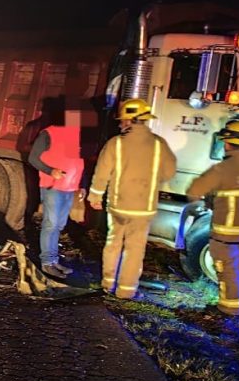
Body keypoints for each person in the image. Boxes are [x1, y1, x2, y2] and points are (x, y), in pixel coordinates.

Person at [87, 98, 176, 299]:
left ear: (128, 121)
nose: (120, 124)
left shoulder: (116, 144)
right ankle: (126, 291)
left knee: (113, 244)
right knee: (135, 250)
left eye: (122, 121)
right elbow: (169, 172)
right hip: (144, 208)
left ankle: (107, 284)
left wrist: (95, 196)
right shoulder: (159, 144)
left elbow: (102, 173)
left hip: (119, 205)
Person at [186, 120, 239, 316]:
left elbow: (194, 191)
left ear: (227, 143)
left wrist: (209, 200)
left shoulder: (222, 169)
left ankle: (228, 311)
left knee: (227, 270)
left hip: (226, 233)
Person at [28, 105, 87, 279]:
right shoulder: (49, 134)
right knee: (51, 225)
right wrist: (50, 171)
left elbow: (77, 162)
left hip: (68, 188)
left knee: (58, 226)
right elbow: (33, 158)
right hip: (53, 187)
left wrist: (82, 184)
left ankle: (53, 261)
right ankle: (47, 263)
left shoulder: (74, 137)